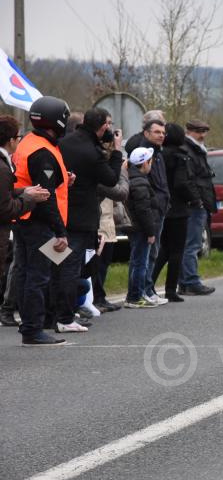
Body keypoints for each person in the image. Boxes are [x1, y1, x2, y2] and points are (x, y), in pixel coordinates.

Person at [56, 107, 123, 332]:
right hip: (81, 219)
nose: (111, 129)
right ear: (103, 126)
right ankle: (65, 318)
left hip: (59, 214)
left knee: (55, 265)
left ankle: (52, 315)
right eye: (109, 124)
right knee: (71, 269)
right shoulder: (91, 152)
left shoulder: (64, 143)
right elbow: (112, 179)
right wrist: (116, 151)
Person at [13, 96, 72, 345]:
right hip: (41, 224)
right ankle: (33, 328)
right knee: (39, 276)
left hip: (25, 219)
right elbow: (46, 197)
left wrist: (64, 179)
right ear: (56, 121)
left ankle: (31, 323)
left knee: (27, 273)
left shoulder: (29, 142)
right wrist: (60, 232)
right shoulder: (43, 152)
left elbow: (38, 182)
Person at [0, 115, 49, 318]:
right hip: (23, 225)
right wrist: (29, 199)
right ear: (11, 140)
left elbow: (7, 194)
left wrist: (24, 191)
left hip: (16, 228)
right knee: (26, 269)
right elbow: (5, 208)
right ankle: (15, 312)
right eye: (17, 137)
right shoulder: (3, 168)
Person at [152, 123, 198, 302]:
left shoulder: (160, 155)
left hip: (163, 206)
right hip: (178, 208)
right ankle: (170, 289)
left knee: (163, 249)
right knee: (177, 250)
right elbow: (182, 183)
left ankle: (150, 282)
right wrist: (195, 199)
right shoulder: (180, 157)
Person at [179, 119, 217, 296]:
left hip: (199, 201)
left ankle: (185, 282)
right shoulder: (189, 150)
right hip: (195, 204)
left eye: (204, 131)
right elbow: (189, 179)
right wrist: (198, 201)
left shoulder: (196, 150)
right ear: (189, 131)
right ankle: (191, 281)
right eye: (198, 131)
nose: (202, 135)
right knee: (192, 244)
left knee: (190, 243)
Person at [124, 147, 159, 308]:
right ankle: (135, 296)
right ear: (145, 163)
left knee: (136, 260)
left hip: (134, 227)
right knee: (140, 263)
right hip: (141, 228)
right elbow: (144, 210)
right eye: (150, 161)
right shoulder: (140, 183)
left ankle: (133, 295)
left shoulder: (131, 177)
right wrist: (151, 232)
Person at [93, 160, 129, 312]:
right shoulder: (98, 170)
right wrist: (121, 170)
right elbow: (120, 192)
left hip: (108, 220)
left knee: (105, 261)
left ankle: (100, 296)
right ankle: (95, 297)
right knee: (96, 264)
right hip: (98, 221)